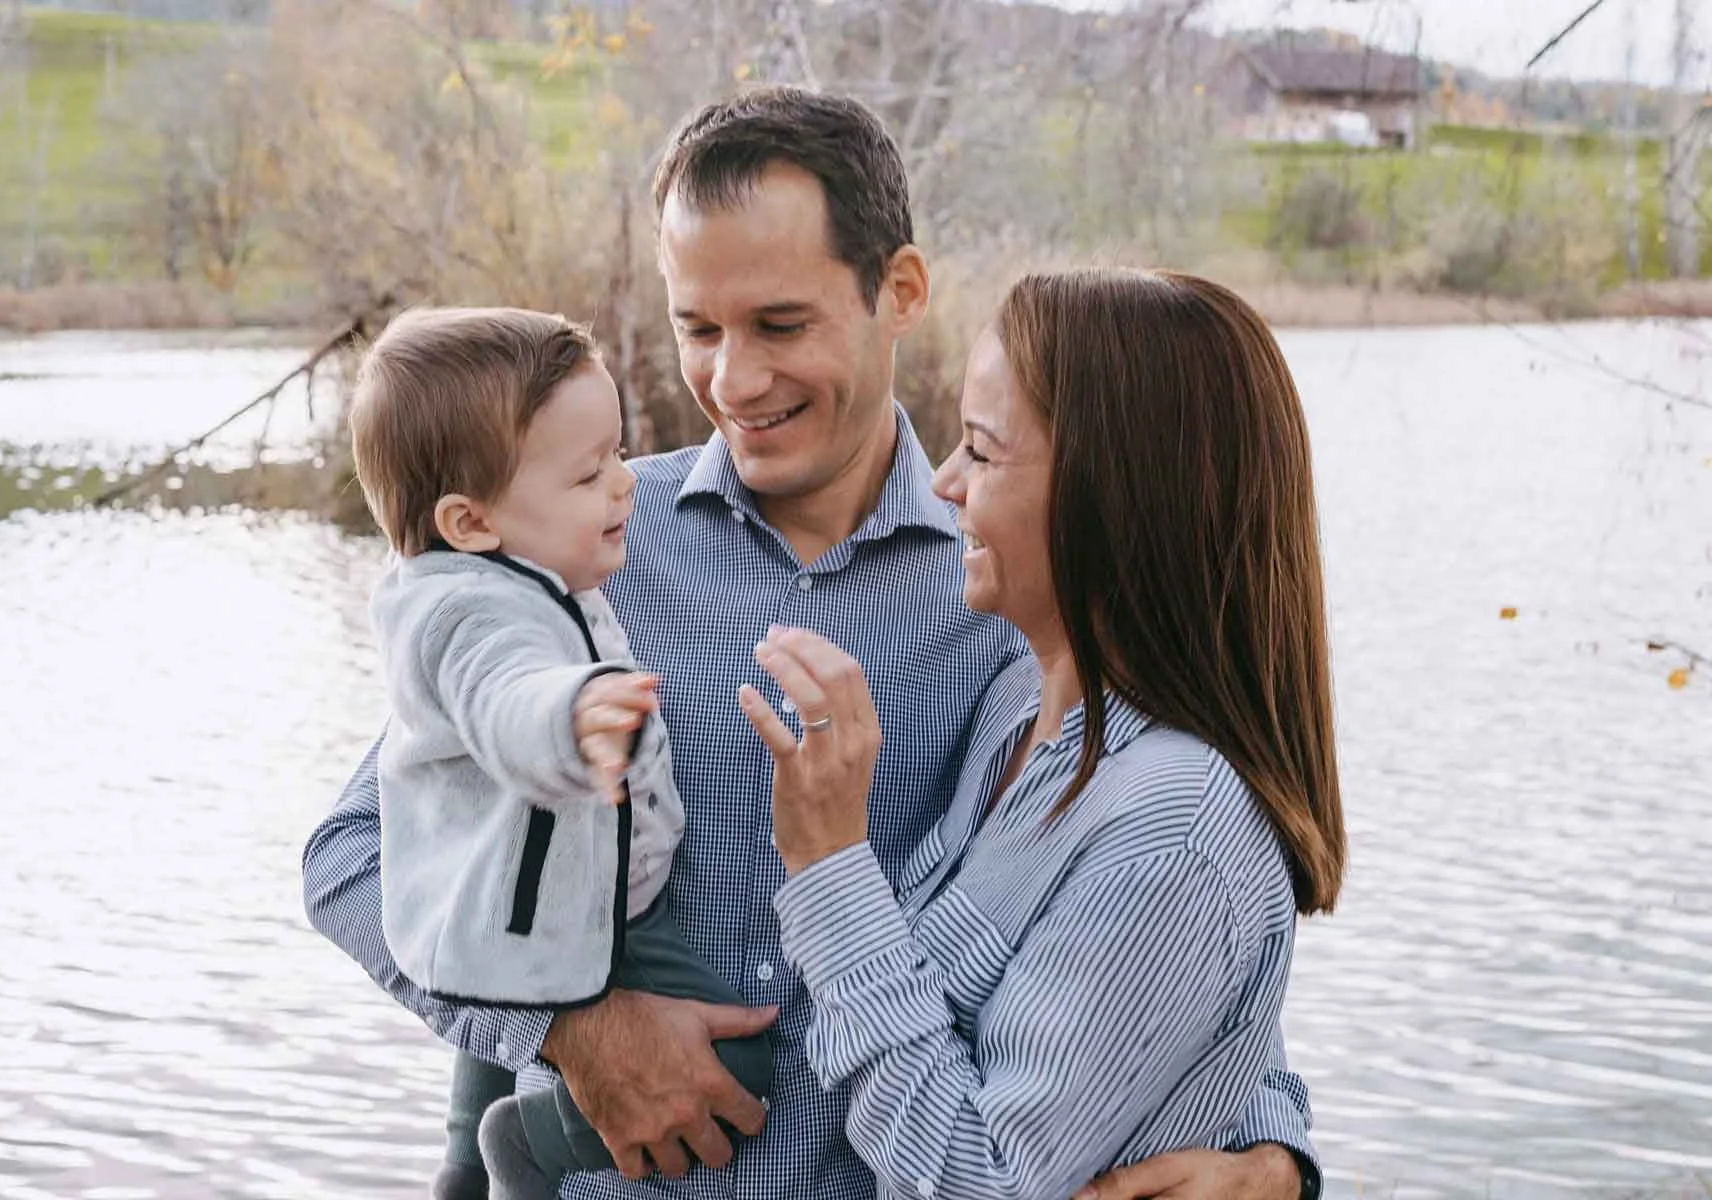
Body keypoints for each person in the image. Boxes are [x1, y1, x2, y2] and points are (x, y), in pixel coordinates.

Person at [302, 86, 1324, 1200]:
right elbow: (361, 855)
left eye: (781, 326)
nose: (733, 381)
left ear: (900, 291)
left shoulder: (1012, 596)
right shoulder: (585, 544)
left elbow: (1155, 956)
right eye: (699, 330)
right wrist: (569, 1031)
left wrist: (1273, 1161)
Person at [735, 267, 1348, 1199]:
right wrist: (1276, 1160)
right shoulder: (1020, 702)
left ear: (1117, 495)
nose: (943, 483)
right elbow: (1179, 1024)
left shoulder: (1176, 827)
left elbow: (987, 1182)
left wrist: (830, 866)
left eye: (982, 453)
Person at [346, 306, 772, 1199]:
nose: (625, 486)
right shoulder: (467, 613)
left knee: (498, 993)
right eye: (590, 473)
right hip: (574, 908)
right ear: (469, 520)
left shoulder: (522, 566)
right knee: (741, 1065)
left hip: (519, 907)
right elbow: (506, 694)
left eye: (620, 455)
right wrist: (572, 715)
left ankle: (463, 1163)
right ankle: (524, 1145)